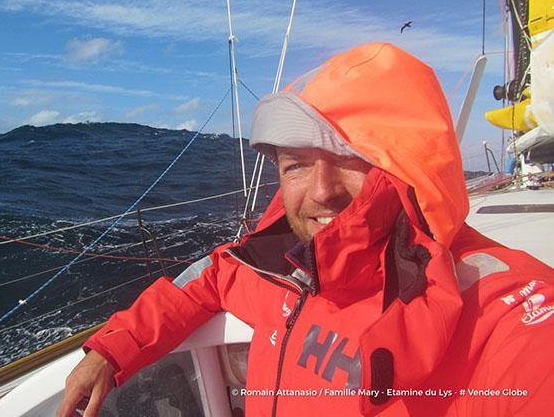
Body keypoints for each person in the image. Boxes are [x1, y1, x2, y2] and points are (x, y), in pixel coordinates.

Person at [58, 43, 554, 416]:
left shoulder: (497, 310)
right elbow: (205, 280)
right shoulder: (279, 268)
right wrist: (110, 348)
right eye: (295, 165)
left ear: (410, 169)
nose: (321, 191)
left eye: (351, 159)